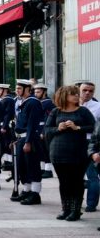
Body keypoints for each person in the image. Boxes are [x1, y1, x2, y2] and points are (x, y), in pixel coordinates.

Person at [45, 85, 94, 221]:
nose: (77, 96)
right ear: (64, 96)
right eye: (73, 94)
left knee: (76, 181)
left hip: (78, 152)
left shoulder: (82, 111)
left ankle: (75, 210)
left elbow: (94, 127)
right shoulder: (56, 112)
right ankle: (65, 209)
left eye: (76, 94)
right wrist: (57, 128)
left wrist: (77, 127)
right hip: (58, 152)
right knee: (64, 181)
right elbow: (47, 130)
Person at [12, 79, 44, 205]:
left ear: (27, 89)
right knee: (22, 166)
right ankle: (26, 190)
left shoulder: (33, 102)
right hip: (22, 138)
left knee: (32, 166)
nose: (17, 91)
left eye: (20, 88)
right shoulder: (23, 102)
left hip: (29, 139)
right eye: (17, 88)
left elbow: (32, 124)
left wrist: (28, 141)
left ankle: (35, 194)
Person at [78, 81, 100, 212]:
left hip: (91, 144)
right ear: (79, 90)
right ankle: (76, 201)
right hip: (73, 144)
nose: (87, 93)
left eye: (91, 91)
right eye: (85, 90)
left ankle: (91, 204)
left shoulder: (98, 107)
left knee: (92, 175)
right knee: (75, 175)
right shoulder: (72, 105)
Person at [35, 84, 55, 178]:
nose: (36, 94)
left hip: (44, 129)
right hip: (38, 129)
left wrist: (43, 131)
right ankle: (42, 168)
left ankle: (48, 170)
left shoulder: (48, 103)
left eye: (38, 92)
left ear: (44, 92)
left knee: (46, 150)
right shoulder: (39, 102)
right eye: (35, 92)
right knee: (40, 150)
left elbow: (48, 118)